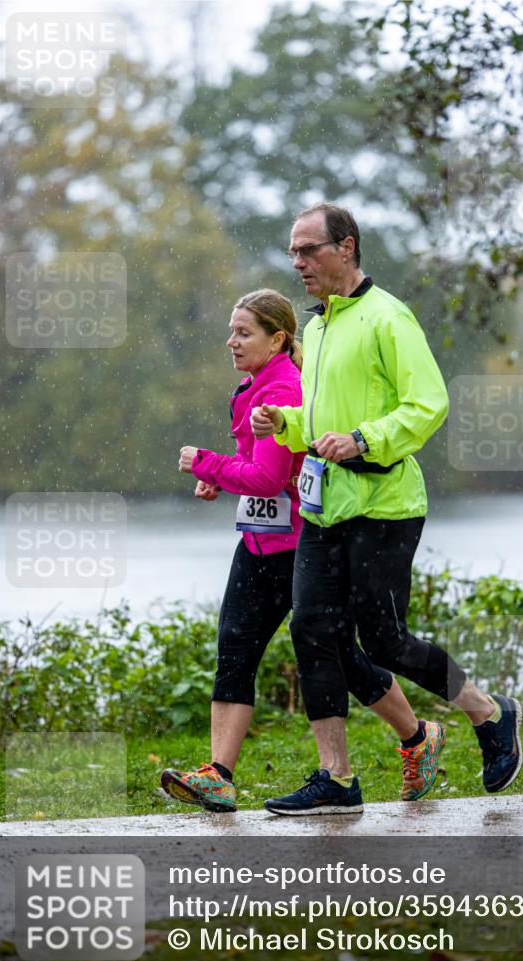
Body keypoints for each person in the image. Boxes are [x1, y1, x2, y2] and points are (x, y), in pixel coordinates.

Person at [251, 203, 523, 816]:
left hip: (384, 505)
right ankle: (335, 778)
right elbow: (324, 420)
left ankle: (489, 712)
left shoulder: (387, 316)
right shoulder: (316, 328)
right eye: (293, 252)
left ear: (346, 248)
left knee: (386, 641)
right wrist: (288, 422)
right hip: (324, 509)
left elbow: (428, 403)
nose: (298, 263)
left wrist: (365, 441)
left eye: (308, 250)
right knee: (313, 630)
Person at [161, 288, 443, 813]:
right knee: (235, 646)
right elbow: (258, 462)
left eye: (244, 332)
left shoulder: (286, 386)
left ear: (278, 339)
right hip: (259, 539)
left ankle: (417, 736)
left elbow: (268, 478)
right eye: (231, 330)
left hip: (301, 538)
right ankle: (219, 775)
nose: (232, 342)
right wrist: (222, 477)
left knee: (343, 655)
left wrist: (206, 464)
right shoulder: (252, 386)